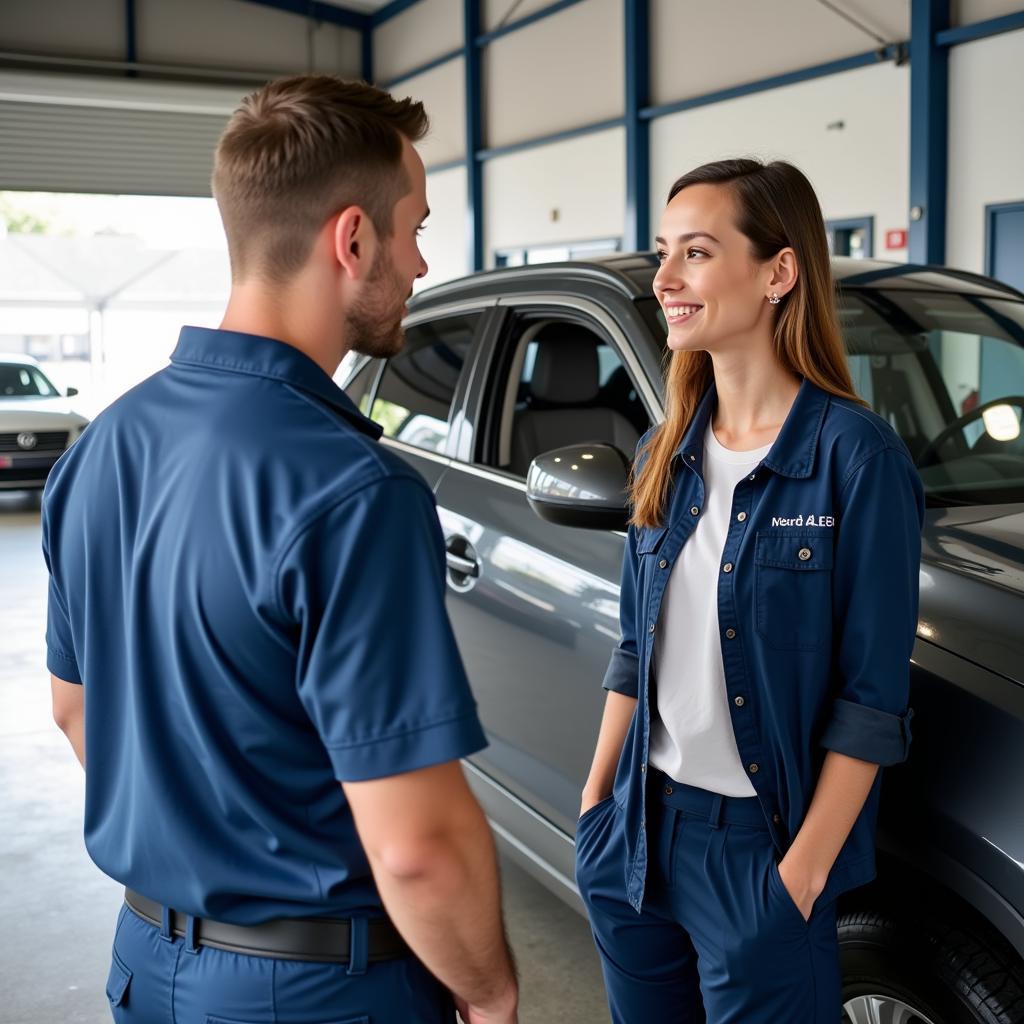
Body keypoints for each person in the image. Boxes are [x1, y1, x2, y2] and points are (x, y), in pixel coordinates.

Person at [43, 75, 518, 1024]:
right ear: (352, 239)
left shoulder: (104, 444)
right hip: (316, 991)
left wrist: (213, 839)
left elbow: (73, 709)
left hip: (146, 965)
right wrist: (491, 989)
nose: (422, 264)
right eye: (414, 228)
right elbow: (416, 843)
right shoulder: (356, 493)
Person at [574, 158, 924, 1023]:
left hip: (756, 860)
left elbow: (871, 703)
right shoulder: (666, 448)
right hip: (637, 835)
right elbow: (635, 648)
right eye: (665, 253)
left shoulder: (856, 460)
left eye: (695, 252)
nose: (665, 278)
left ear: (779, 271)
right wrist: (595, 808)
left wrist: (797, 880)